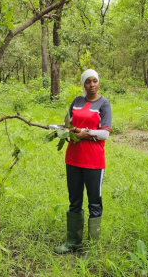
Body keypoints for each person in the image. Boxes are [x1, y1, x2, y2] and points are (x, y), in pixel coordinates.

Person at [55, 69, 112, 254]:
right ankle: (73, 242)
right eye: (88, 81)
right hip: (73, 158)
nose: (92, 85)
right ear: (83, 84)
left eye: (95, 80)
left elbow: (105, 133)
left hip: (94, 161)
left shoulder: (104, 104)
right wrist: (61, 129)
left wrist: (84, 133)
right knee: (74, 201)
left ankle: (92, 247)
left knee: (94, 202)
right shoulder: (77, 101)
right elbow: (67, 124)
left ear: (99, 82)